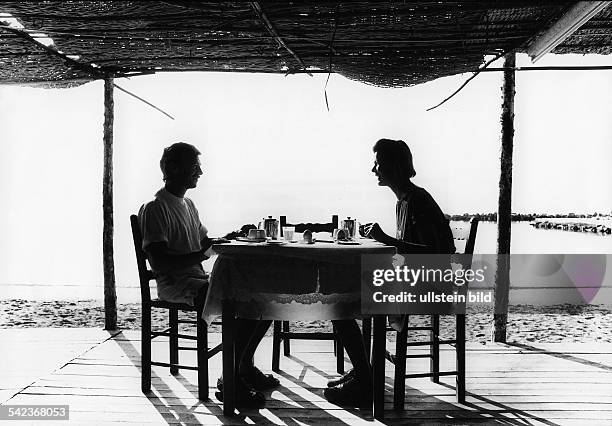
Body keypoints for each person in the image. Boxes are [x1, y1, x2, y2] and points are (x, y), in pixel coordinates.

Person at [138, 142, 278, 406]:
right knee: (239, 304)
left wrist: (232, 236)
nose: (200, 172)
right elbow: (161, 263)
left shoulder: (188, 204)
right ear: (172, 168)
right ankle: (231, 380)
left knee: (264, 299)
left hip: (197, 280)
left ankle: (243, 367)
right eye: (194, 166)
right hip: (177, 285)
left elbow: (204, 242)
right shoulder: (156, 207)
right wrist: (204, 254)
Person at [324, 138, 454, 407]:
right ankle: (364, 373)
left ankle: (364, 379)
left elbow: (433, 254)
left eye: (378, 163)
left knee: (338, 302)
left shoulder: (418, 200)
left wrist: (386, 240)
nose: (374, 169)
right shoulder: (404, 201)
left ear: (393, 167)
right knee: (341, 294)